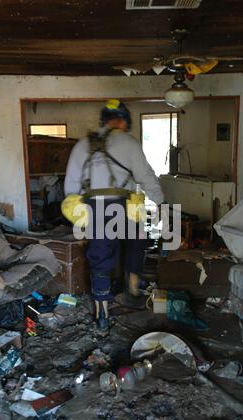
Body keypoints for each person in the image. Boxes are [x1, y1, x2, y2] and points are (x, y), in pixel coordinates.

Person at [64, 99, 164, 330]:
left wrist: (85, 210)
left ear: (103, 121)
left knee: (100, 255)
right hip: (124, 205)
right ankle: (132, 287)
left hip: (93, 208)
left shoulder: (81, 145)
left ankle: (102, 314)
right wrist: (161, 201)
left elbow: (70, 188)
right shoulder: (128, 142)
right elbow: (146, 176)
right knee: (136, 242)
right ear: (124, 122)